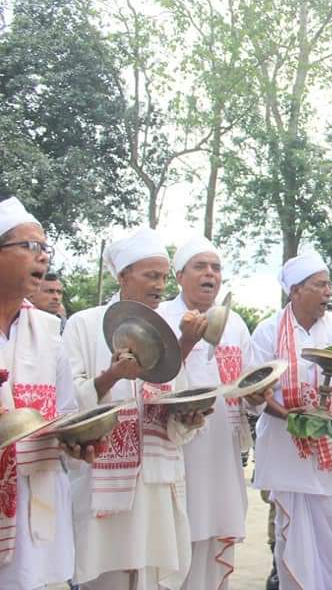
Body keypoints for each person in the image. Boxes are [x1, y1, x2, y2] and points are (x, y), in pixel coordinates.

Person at [64, 227, 206, 589]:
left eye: (162, 276)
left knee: (150, 575)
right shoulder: (85, 324)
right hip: (102, 485)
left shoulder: (170, 331)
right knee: (106, 578)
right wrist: (111, 376)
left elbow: (178, 399)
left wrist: (188, 418)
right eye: (150, 275)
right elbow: (66, 403)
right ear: (123, 276)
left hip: (157, 484)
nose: (159, 284)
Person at [251, 251, 332, 590]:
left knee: (331, 531)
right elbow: (254, 391)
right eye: (321, 285)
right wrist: (290, 417)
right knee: (292, 536)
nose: (329, 292)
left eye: (329, 284)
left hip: (331, 448)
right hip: (287, 451)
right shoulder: (268, 331)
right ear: (296, 290)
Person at [157, 235, 263, 590]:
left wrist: (260, 394)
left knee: (214, 534)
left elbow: (249, 388)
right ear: (179, 276)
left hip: (223, 451)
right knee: (176, 536)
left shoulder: (234, 324)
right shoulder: (162, 320)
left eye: (216, 268)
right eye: (200, 267)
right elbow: (153, 384)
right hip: (177, 451)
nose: (210, 274)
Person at [0, 197, 91, 590]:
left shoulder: (49, 332)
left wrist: (78, 442)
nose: (42, 258)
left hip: (37, 499)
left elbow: (65, 412)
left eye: (45, 249)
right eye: (30, 246)